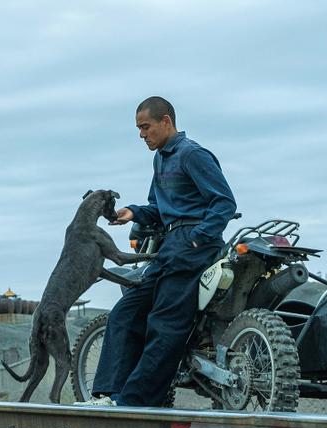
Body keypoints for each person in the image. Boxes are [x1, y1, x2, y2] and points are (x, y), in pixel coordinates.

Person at [86, 96, 237, 407]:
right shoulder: (161, 159)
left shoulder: (192, 154)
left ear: (166, 122)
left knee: (164, 323)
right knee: (126, 311)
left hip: (193, 247)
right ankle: (108, 395)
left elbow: (224, 202)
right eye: (139, 128)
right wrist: (134, 213)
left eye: (146, 127)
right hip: (168, 246)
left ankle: (134, 403)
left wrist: (198, 237)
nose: (142, 134)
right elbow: (157, 208)